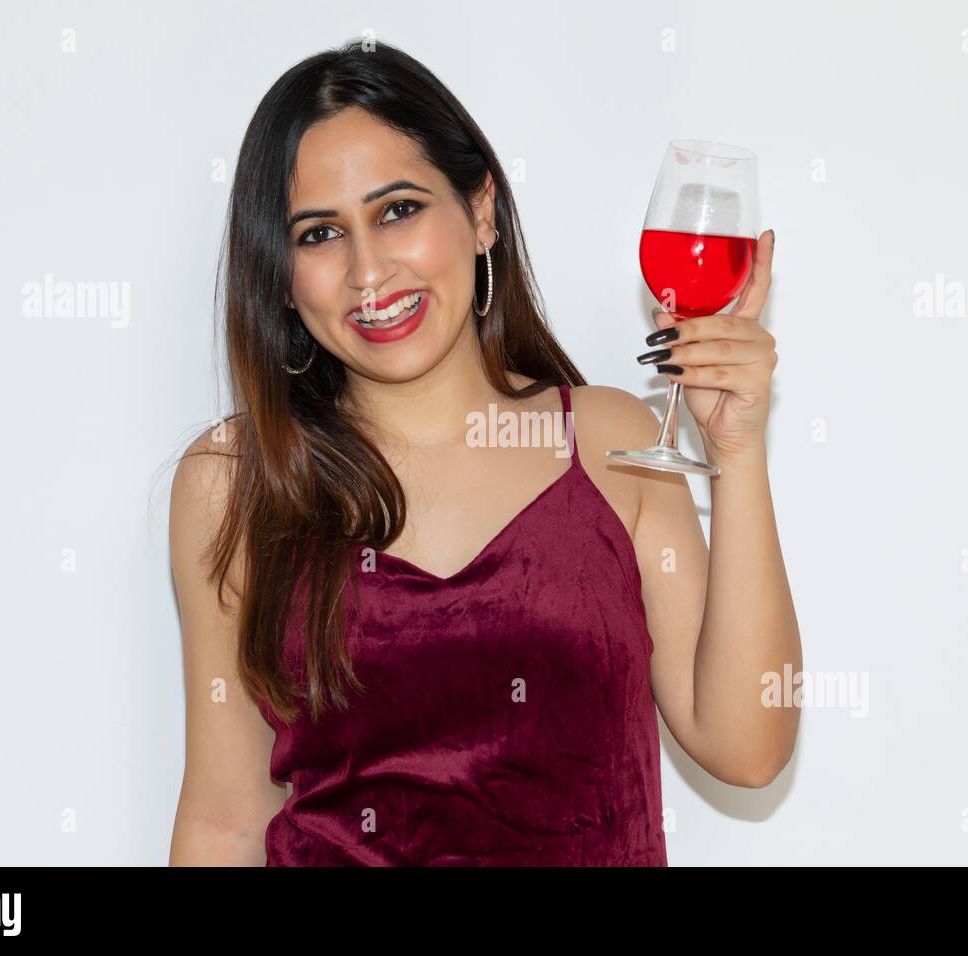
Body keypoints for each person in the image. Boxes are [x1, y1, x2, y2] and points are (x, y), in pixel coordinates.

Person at [167, 39, 800, 866]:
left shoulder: (614, 443)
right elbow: (224, 819)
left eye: (398, 210)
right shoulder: (232, 483)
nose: (368, 271)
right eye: (320, 233)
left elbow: (747, 748)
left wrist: (738, 452)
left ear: (481, 213)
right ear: (282, 277)